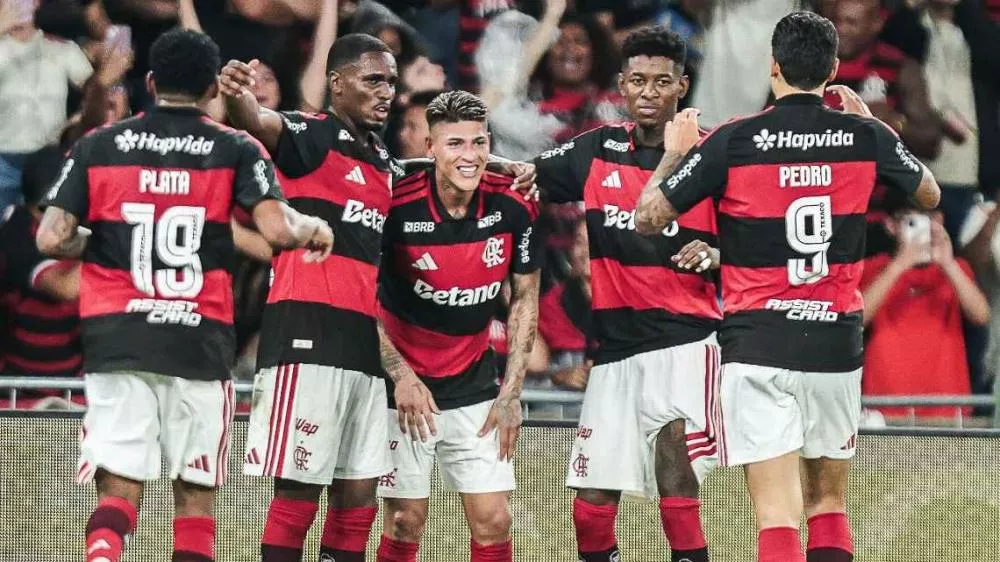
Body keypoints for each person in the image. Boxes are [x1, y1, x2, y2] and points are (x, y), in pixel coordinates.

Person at [634, 11, 942, 562]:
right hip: (833, 344)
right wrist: (876, 128)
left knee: (777, 515)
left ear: (773, 66)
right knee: (828, 504)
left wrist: (675, 152)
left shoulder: (733, 139)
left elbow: (648, 218)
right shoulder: (864, 136)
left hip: (758, 345)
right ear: (833, 69)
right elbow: (930, 195)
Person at [35, 28, 334, 562]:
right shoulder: (235, 147)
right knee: (194, 500)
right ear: (211, 89)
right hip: (199, 341)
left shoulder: (100, 144)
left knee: (118, 488)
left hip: (119, 338)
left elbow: (51, 238)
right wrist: (313, 225)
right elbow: (278, 230)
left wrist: (106, 241)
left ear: (151, 83)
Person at [529, 26, 723, 562]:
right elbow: (526, 178)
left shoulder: (712, 156)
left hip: (685, 342)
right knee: (590, 504)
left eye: (662, 81)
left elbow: (757, 243)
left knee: (674, 467)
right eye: (638, 80)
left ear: (682, 86)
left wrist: (716, 254)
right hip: (614, 350)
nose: (649, 92)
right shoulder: (596, 148)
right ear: (622, 84)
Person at [219, 34, 411, 562]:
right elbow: (256, 120)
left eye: (392, 82)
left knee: (359, 497)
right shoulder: (310, 135)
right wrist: (237, 95)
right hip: (305, 340)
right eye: (374, 80)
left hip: (363, 348)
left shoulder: (383, 162)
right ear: (337, 83)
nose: (387, 92)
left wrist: (494, 165)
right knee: (298, 493)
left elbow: (424, 172)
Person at [374, 90, 540, 562]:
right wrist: (400, 375)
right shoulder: (396, 205)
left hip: (474, 383)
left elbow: (525, 300)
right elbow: (360, 296)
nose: (470, 156)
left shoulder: (514, 202)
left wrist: (511, 394)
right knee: (405, 521)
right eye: (455, 144)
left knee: (495, 519)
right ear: (430, 148)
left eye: (479, 142)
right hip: (404, 388)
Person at [861, 194, 988, 417]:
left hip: (947, 404)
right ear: (891, 225)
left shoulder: (956, 268)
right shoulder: (873, 268)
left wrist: (948, 263)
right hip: (885, 403)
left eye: (928, 217)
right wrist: (900, 264)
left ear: (939, 221)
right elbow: (856, 320)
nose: (921, 228)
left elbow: (981, 316)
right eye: (911, 220)